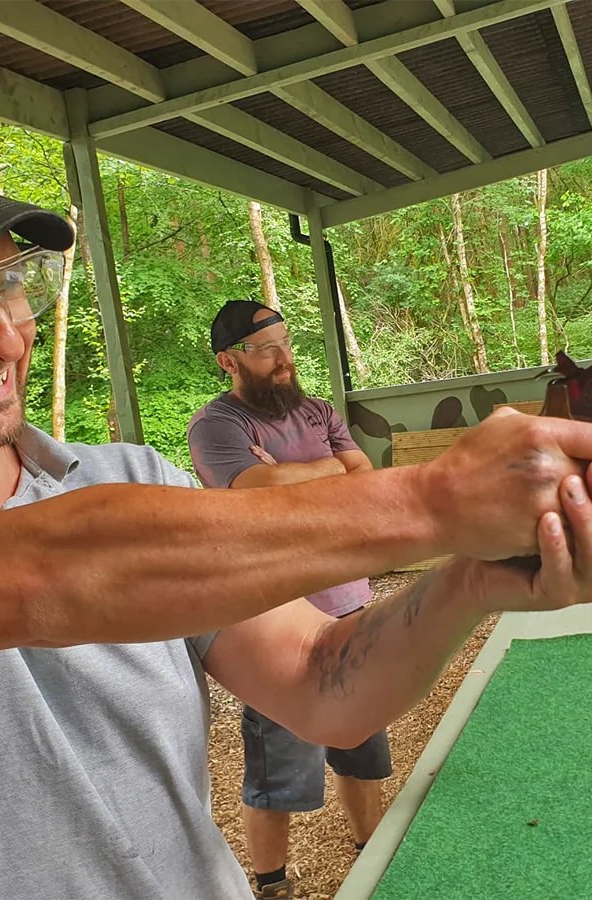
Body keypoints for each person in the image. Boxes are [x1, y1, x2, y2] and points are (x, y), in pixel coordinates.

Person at [0, 115, 592, 900]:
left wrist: (468, 585)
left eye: (8, 283)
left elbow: (324, 682)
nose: (5, 337)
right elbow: (43, 575)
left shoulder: (133, 477)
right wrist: (433, 497)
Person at [187, 301, 391, 898]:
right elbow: (257, 489)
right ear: (230, 361)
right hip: (279, 623)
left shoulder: (319, 410)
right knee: (277, 774)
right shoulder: (217, 426)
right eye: (266, 349)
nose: (284, 359)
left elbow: (365, 481)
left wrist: (299, 472)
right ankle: (272, 886)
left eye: (285, 342)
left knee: (361, 748)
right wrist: (324, 471)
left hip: (351, 606)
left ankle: (373, 860)